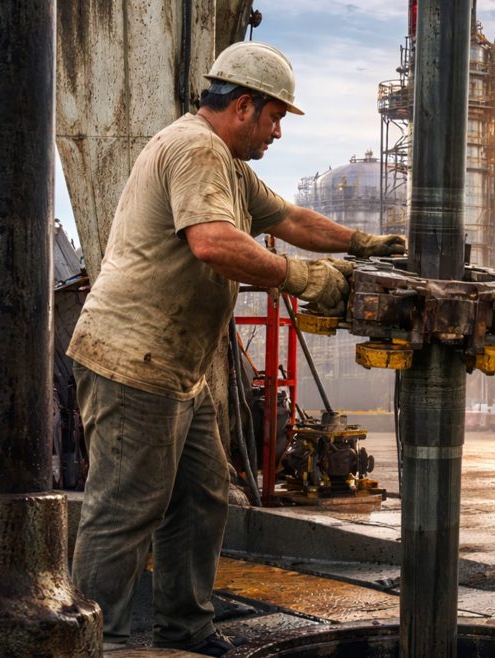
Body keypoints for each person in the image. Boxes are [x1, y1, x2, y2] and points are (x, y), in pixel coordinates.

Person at [66, 41, 405, 655]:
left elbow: (290, 220)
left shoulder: (229, 163)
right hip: (133, 360)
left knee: (200, 499)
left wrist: (365, 243)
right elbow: (214, 243)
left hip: (180, 370)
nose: (278, 131)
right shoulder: (195, 149)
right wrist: (303, 279)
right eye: (275, 117)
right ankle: (98, 641)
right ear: (244, 105)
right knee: (124, 511)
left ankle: (185, 630)